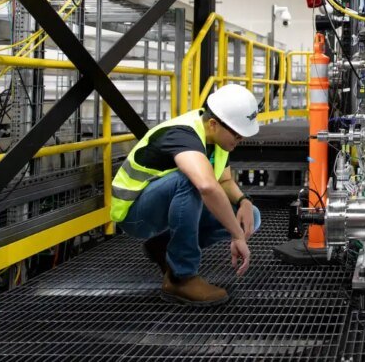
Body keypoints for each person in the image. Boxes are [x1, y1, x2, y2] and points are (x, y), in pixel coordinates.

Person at [109, 84, 262, 306]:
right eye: (237, 134)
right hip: (136, 214)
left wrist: (244, 201)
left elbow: (224, 181)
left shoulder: (217, 140)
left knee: (251, 216)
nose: (240, 140)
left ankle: (163, 246)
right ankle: (181, 277)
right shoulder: (183, 134)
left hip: (163, 208)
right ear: (213, 124)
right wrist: (237, 236)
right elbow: (207, 186)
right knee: (190, 180)